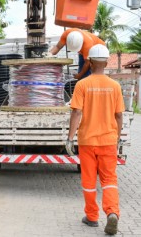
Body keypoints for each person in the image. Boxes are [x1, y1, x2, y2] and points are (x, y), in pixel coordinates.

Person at [66, 44, 124, 235]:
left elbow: (76, 112)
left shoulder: (82, 85)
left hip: (87, 141)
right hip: (108, 141)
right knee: (109, 180)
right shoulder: (115, 86)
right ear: (107, 63)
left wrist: (70, 138)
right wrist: (116, 139)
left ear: (89, 62)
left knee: (89, 180)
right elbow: (119, 116)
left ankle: (92, 217)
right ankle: (112, 212)